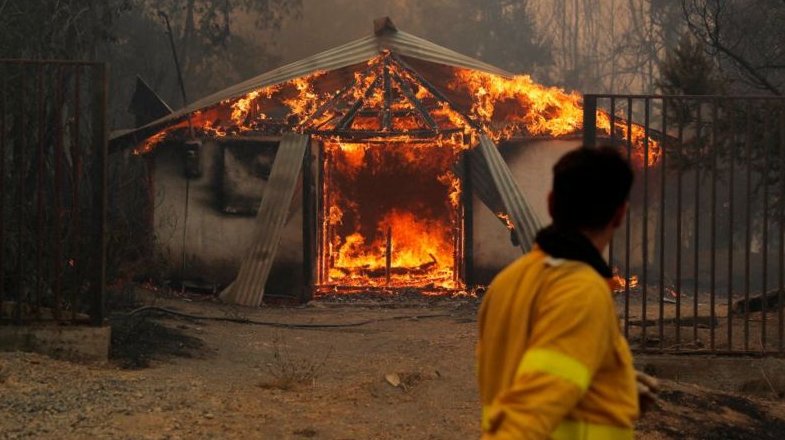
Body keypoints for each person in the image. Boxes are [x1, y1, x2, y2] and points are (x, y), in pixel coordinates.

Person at [476, 146, 657, 439]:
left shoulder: (505, 283)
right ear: (620, 215)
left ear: (550, 204)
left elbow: (536, 369)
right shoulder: (582, 291)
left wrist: (614, 385)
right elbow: (528, 414)